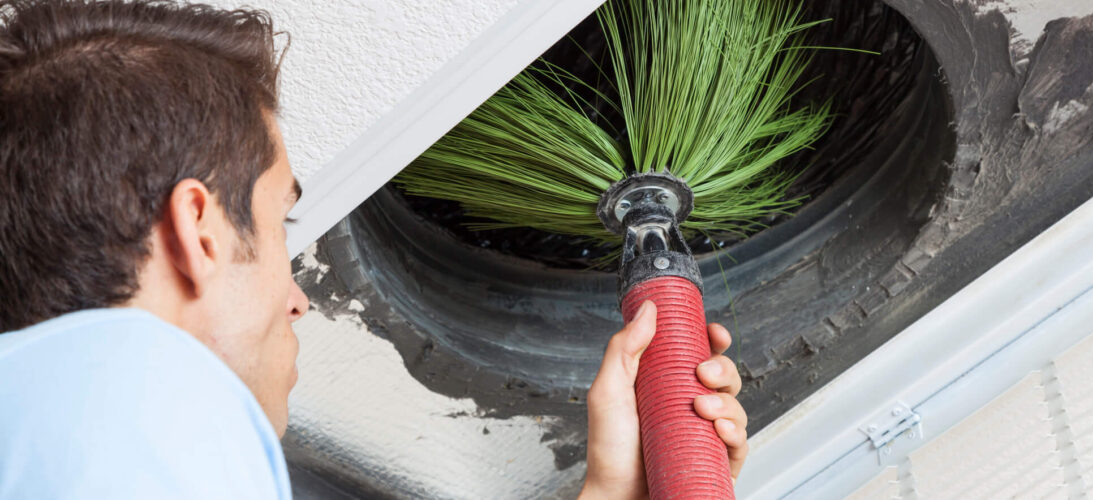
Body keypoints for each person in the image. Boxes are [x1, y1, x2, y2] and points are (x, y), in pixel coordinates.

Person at [0, 0, 749, 498]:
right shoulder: (154, 420)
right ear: (199, 232)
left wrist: (610, 489)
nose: (297, 297)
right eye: (276, 228)